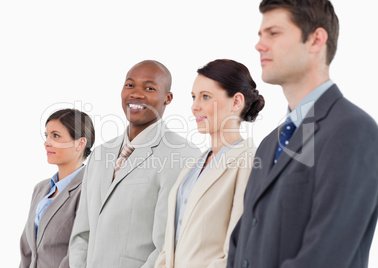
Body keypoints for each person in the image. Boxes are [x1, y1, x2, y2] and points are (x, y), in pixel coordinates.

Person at [227, 1, 378, 268]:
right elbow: (241, 243)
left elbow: (325, 256)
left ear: (316, 40)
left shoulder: (353, 131)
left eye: (273, 33)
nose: (259, 45)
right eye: (260, 35)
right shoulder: (268, 145)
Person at [68, 60, 200, 268]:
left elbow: (168, 243)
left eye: (149, 88)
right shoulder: (100, 153)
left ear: (168, 98)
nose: (136, 94)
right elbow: (81, 233)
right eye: (130, 85)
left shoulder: (182, 154)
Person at [155, 59, 265, 268]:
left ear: (236, 102)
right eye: (194, 97)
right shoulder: (194, 163)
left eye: (206, 97)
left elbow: (237, 248)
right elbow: (171, 243)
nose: (195, 106)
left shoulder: (248, 161)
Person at [20, 108, 95, 268]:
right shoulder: (40, 189)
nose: (47, 142)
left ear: (80, 143)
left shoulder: (89, 189)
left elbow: (81, 252)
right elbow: (27, 250)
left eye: (56, 136)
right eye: (47, 135)